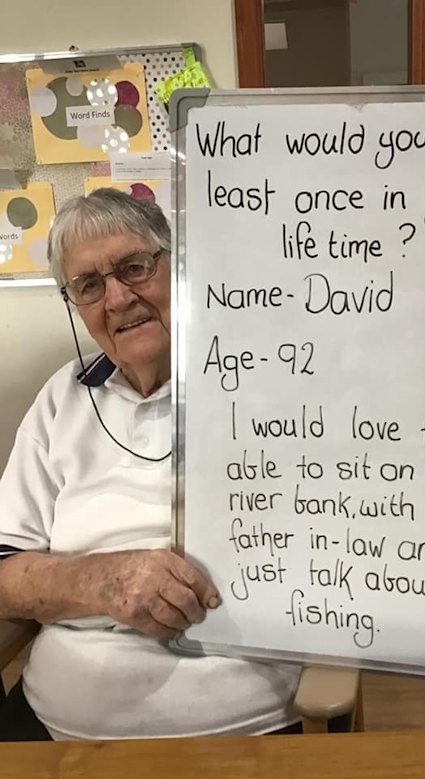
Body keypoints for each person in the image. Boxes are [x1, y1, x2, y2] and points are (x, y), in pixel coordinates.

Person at [0, 188, 300, 741]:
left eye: (134, 268)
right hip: (55, 727)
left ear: (177, 268)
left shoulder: (270, 383)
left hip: (237, 728)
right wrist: (101, 582)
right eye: (88, 285)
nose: (116, 299)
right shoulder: (62, 398)